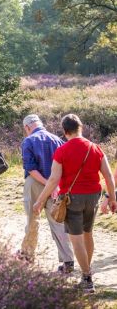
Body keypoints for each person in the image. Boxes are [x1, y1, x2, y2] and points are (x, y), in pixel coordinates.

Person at [33, 114, 117, 293]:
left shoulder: (62, 151)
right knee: (88, 233)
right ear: (82, 127)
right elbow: (109, 176)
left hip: (72, 198)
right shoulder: (95, 148)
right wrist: (112, 198)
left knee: (76, 239)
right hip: (93, 196)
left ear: (64, 132)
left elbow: (54, 179)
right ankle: (86, 272)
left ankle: (87, 278)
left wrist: (40, 201)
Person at [19, 114, 74, 272]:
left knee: (32, 219)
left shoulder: (28, 141)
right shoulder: (57, 140)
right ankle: (67, 261)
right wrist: (55, 185)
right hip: (56, 185)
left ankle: (28, 255)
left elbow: (30, 168)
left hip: (35, 183)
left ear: (27, 127)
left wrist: (46, 183)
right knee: (58, 222)